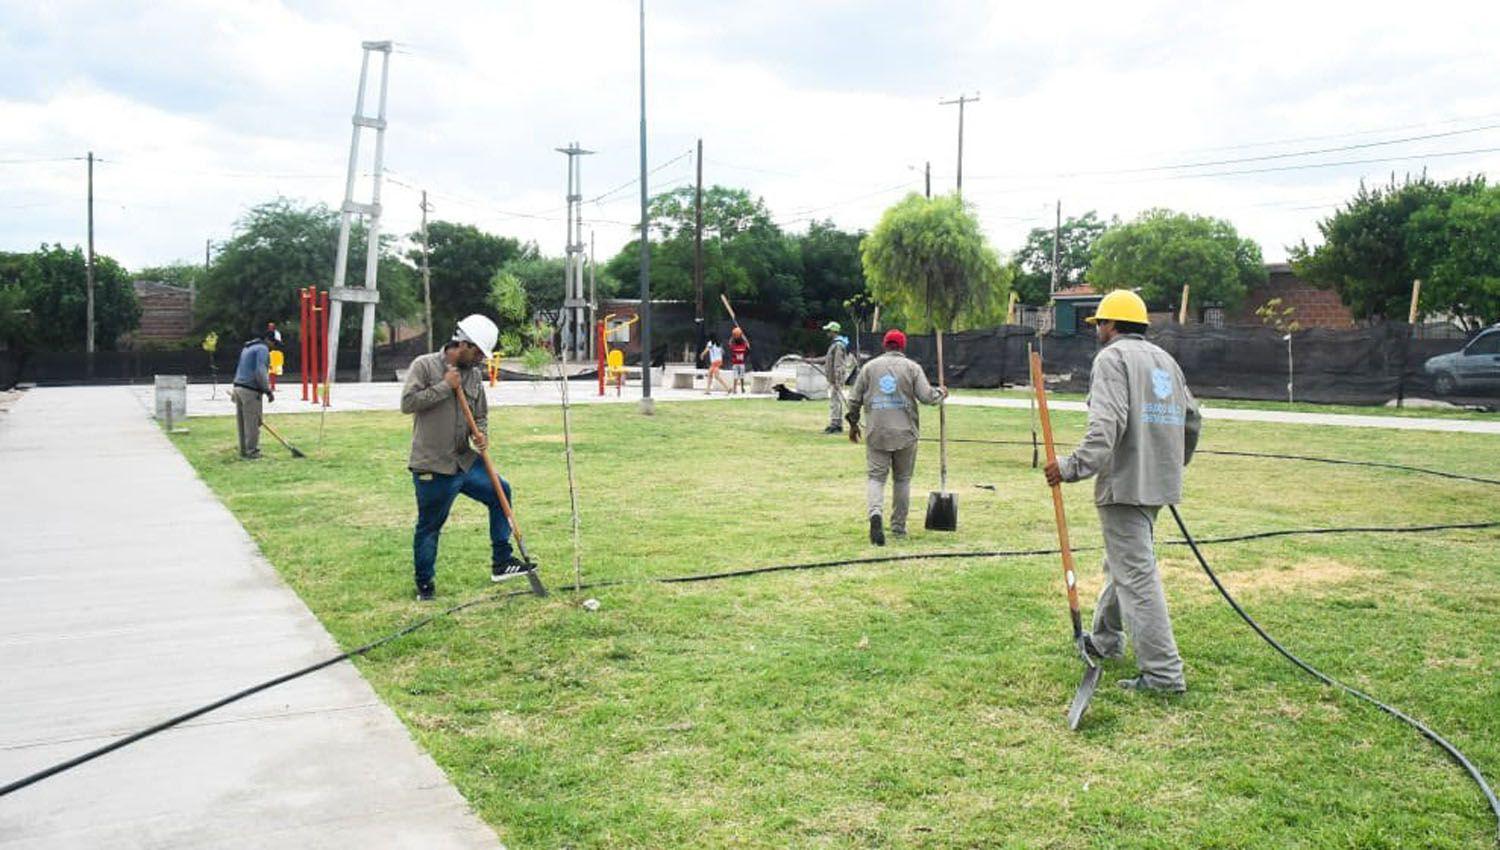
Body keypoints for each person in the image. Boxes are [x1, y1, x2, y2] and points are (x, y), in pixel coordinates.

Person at [1044, 289, 1202, 694]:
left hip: (1126, 485)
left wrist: (1070, 467)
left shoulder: (1112, 358)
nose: (1098, 331)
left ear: (1111, 325)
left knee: (1135, 575)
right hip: (1157, 484)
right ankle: (1107, 640)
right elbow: (1192, 420)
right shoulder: (1165, 359)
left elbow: (1105, 426)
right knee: (1125, 564)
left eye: (1100, 324)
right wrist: (1169, 464)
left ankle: (1164, 675)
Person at [401, 314, 531, 601]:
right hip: (433, 464)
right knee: (430, 526)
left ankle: (502, 561)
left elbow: (480, 414)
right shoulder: (424, 366)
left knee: (501, 492)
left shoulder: (472, 375)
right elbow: (407, 404)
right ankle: (425, 585)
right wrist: (445, 386)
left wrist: (481, 435)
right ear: (463, 344)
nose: (480, 361)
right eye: (478, 353)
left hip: (464, 461)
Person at [845, 328, 946, 545]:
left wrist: (853, 424)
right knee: (902, 480)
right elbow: (927, 397)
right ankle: (899, 526)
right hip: (905, 433)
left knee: (875, 478)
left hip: (877, 431)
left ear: (884, 345)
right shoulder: (912, 368)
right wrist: (942, 393)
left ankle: (875, 515)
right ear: (903, 346)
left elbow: (853, 400)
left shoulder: (869, 368)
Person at [231, 329, 274, 459]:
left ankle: (244, 451)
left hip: (238, 388)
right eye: (273, 343)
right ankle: (252, 452)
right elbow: (260, 371)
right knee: (253, 423)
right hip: (250, 391)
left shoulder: (247, 347)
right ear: (267, 339)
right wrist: (267, 390)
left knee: (242, 423)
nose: (273, 346)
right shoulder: (262, 349)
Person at [808, 321, 851, 433]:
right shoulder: (835, 344)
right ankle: (835, 423)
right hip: (834, 379)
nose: (826, 333)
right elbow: (826, 359)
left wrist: (837, 380)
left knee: (835, 401)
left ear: (833, 332)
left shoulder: (838, 345)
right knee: (835, 400)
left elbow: (838, 364)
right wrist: (811, 361)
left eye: (828, 331)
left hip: (836, 379)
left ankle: (835, 425)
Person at [728, 326, 751, 394]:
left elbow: (730, 343)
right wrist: (742, 335)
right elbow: (748, 345)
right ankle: (742, 388)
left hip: (735, 363)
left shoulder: (734, 347)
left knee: (735, 377)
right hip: (741, 363)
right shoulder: (743, 347)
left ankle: (735, 389)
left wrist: (732, 336)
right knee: (742, 377)